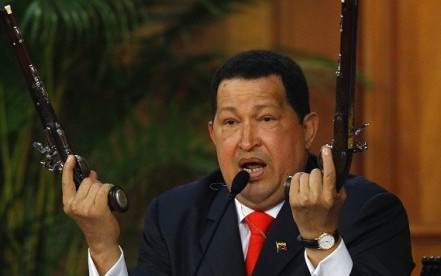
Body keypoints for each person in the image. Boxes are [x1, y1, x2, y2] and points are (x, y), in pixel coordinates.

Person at [62, 50, 415, 275]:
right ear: (213, 134)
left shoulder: (367, 211)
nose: (247, 140)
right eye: (231, 123)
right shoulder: (175, 215)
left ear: (307, 129)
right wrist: (103, 247)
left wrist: (322, 238)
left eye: (266, 119)